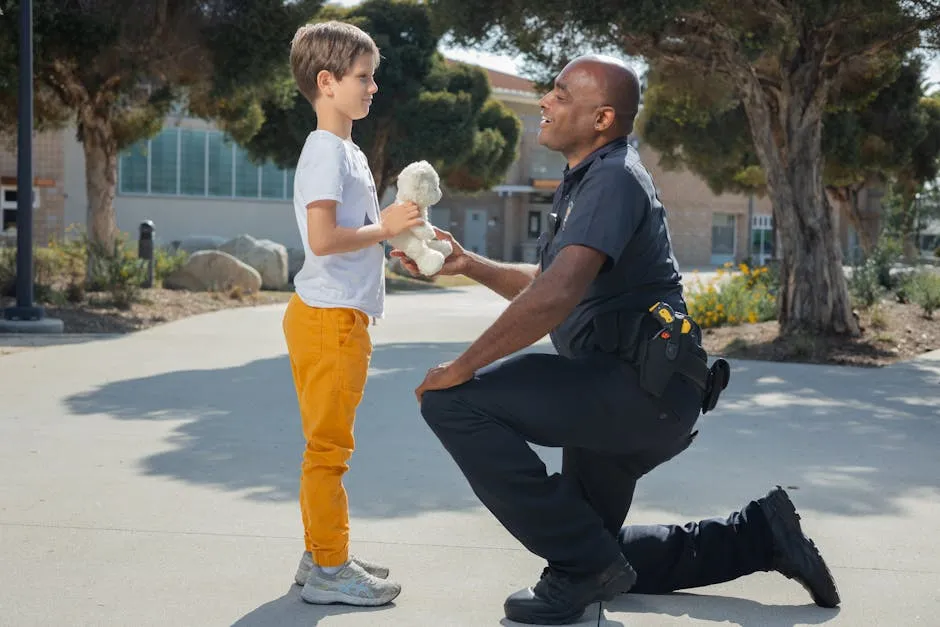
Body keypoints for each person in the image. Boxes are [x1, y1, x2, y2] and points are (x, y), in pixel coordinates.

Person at [396, 54, 840, 625]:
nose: (546, 103)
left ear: (602, 118)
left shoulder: (613, 179)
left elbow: (558, 293)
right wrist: (468, 264)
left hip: (634, 389)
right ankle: (760, 536)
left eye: (559, 94)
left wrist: (461, 365)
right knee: (602, 546)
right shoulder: (590, 178)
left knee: (453, 403)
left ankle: (583, 568)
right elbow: (552, 286)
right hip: (626, 388)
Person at [282, 21, 424, 607]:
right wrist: (384, 227)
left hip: (334, 316)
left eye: (373, 77)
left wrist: (393, 240)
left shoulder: (346, 151)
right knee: (329, 451)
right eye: (364, 77)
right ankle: (330, 568)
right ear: (326, 81)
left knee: (327, 445)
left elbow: (350, 233)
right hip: (328, 321)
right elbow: (321, 237)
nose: (373, 88)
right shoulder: (324, 152)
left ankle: (320, 553)